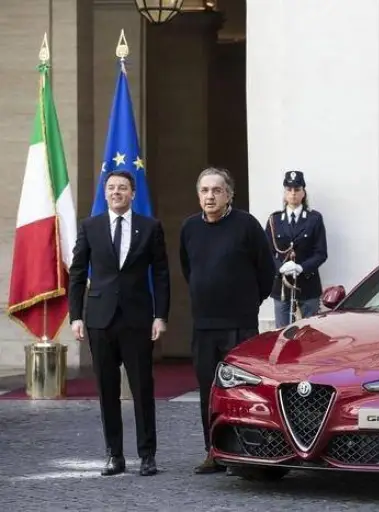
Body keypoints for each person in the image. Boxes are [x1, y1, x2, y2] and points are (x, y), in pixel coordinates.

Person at [69, 170, 170, 477]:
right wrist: (76, 316)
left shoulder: (150, 227)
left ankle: (147, 455)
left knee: (142, 389)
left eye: (122, 188)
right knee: (107, 390)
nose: (116, 192)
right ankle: (114, 455)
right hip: (100, 320)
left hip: (137, 319)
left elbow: (162, 274)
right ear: (105, 192)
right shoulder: (91, 226)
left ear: (133, 193)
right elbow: (76, 273)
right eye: (111, 187)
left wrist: (160, 315)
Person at [179, 167, 276, 474]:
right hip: (204, 325)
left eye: (216, 190)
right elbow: (188, 269)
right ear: (198, 195)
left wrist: (248, 304)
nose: (210, 196)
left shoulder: (247, 225)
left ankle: (245, 453)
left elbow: (267, 272)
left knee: (243, 392)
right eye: (205, 191)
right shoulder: (189, 228)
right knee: (209, 391)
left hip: (240, 325)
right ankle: (214, 452)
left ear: (229, 194)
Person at [265, 170, 328, 328]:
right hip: (282, 287)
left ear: (303, 193)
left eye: (297, 189)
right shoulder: (274, 220)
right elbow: (266, 253)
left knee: (310, 333)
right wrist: (280, 268)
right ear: (284, 193)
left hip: (308, 284)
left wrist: (301, 267)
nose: (293, 194)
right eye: (289, 189)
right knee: (282, 333)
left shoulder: (314, 219)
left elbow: (321, 253)